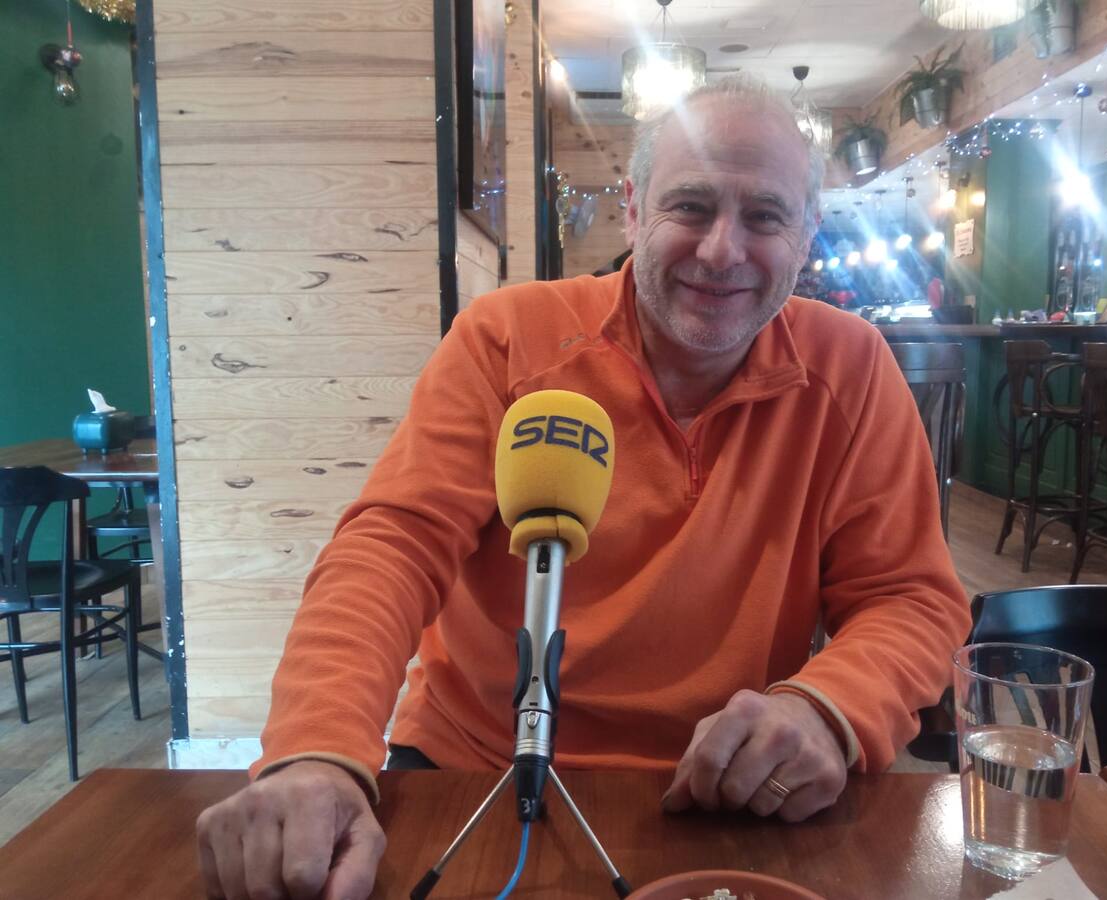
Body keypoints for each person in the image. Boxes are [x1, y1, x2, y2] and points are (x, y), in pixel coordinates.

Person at [196, 76, 970, 900]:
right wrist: (316, 752)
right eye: (691, 206)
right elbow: (390, 550)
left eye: (765, 217)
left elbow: (910, 598)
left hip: (729, 792)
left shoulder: (852, 368)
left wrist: (826, 707)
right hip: (475, 771)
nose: (721, 250)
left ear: (807, 233)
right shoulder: (505, 339)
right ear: (633, 211)